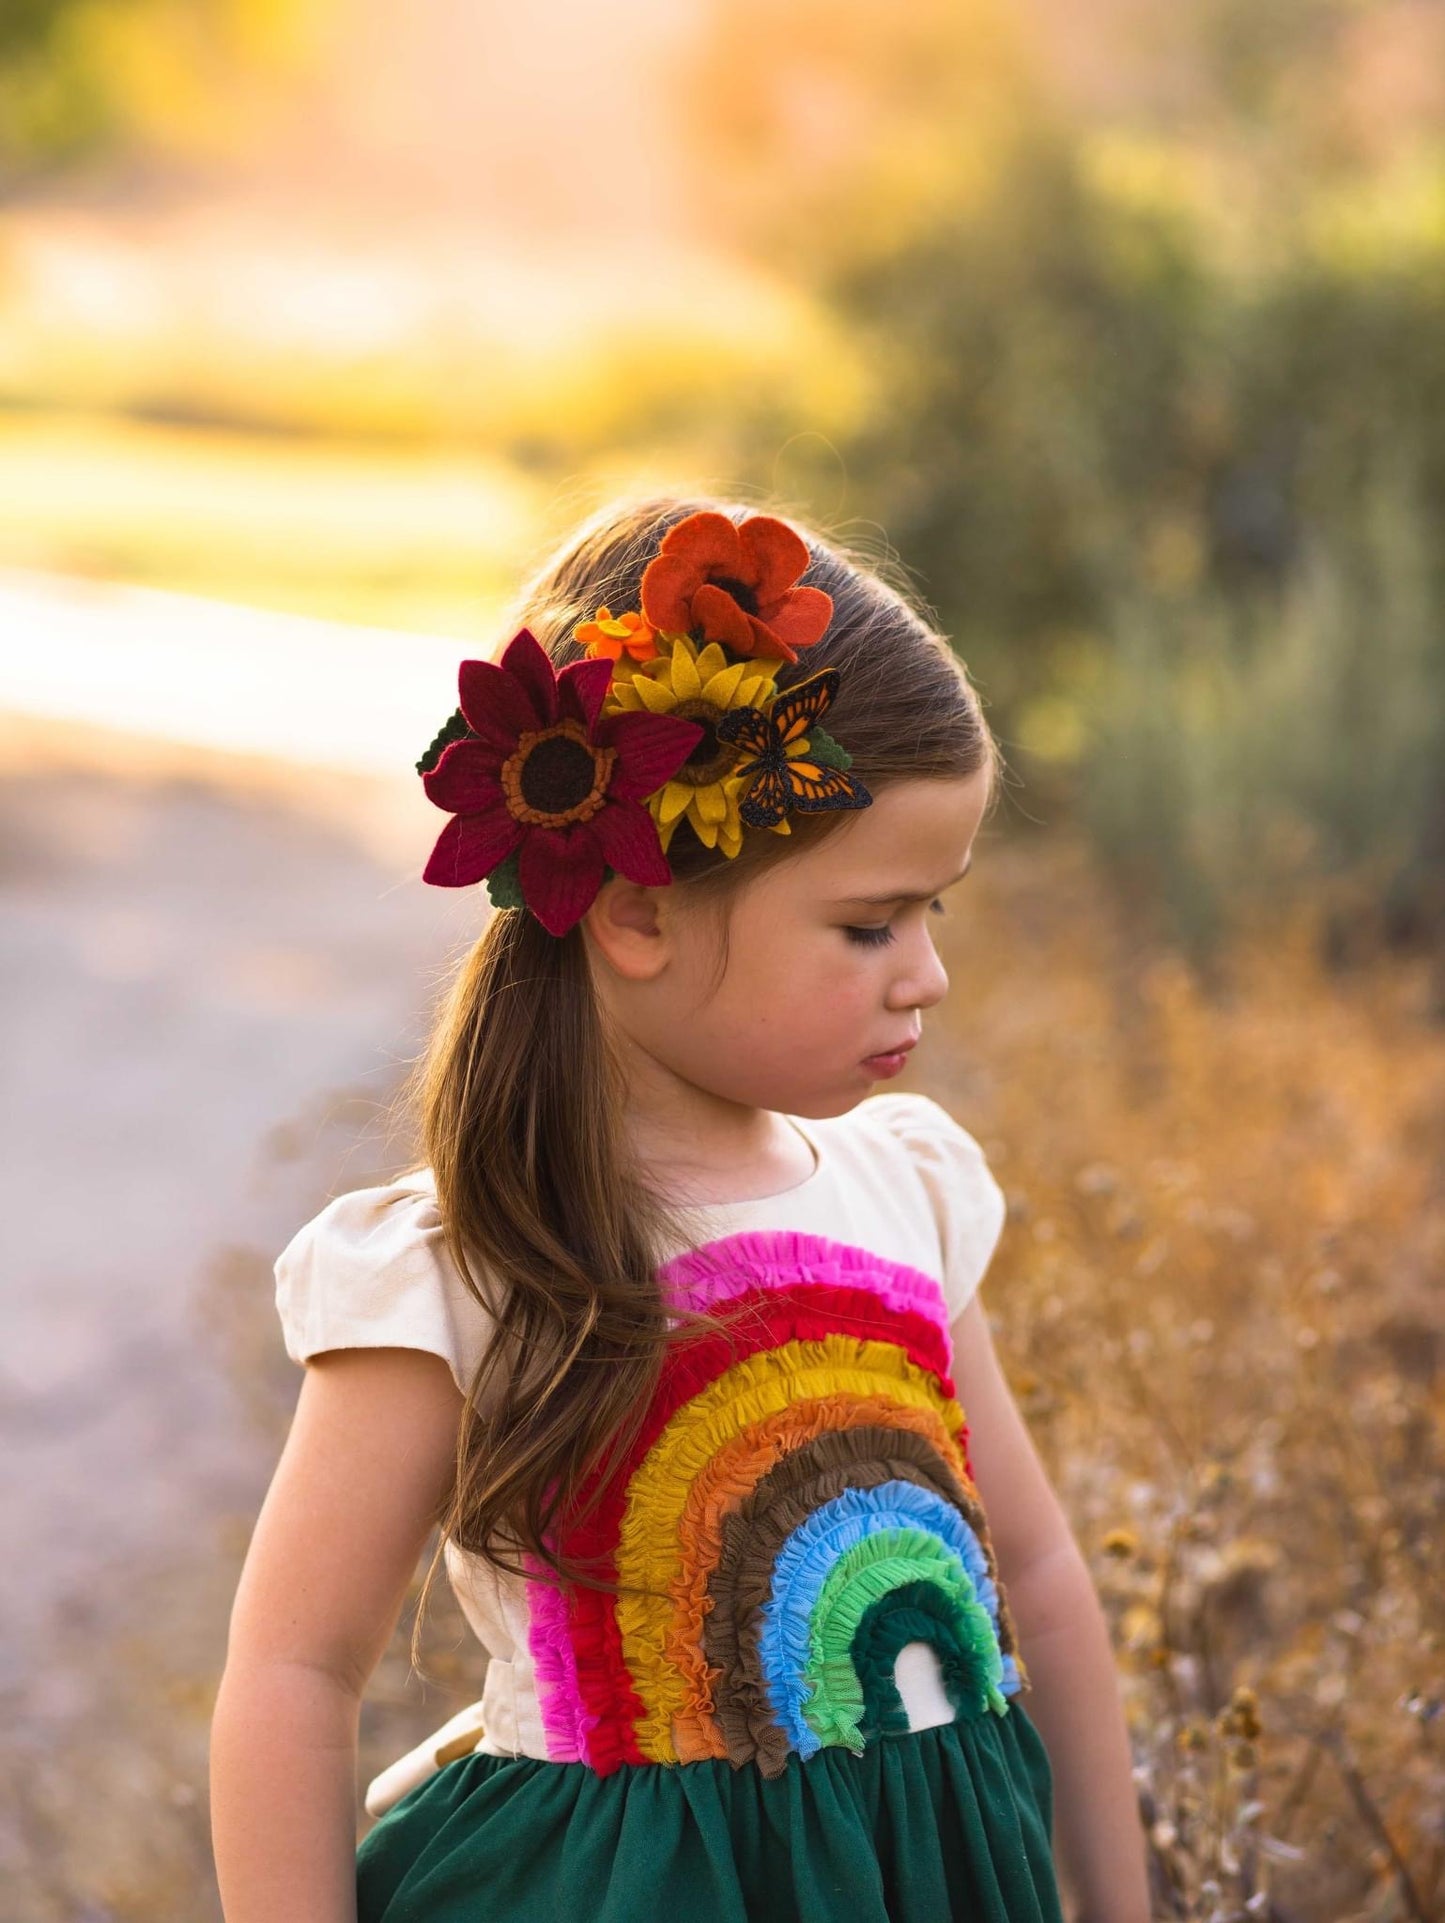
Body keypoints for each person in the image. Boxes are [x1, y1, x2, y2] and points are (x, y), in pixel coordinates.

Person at [209, 496, 1152, 1922]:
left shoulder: (906, 1192)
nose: (925, 976)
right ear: (637, 912)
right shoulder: (467, 1270)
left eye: (933, 912)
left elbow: (1034, 1570)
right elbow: (294, 1672)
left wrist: (1116, 1900)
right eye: (868, 925)